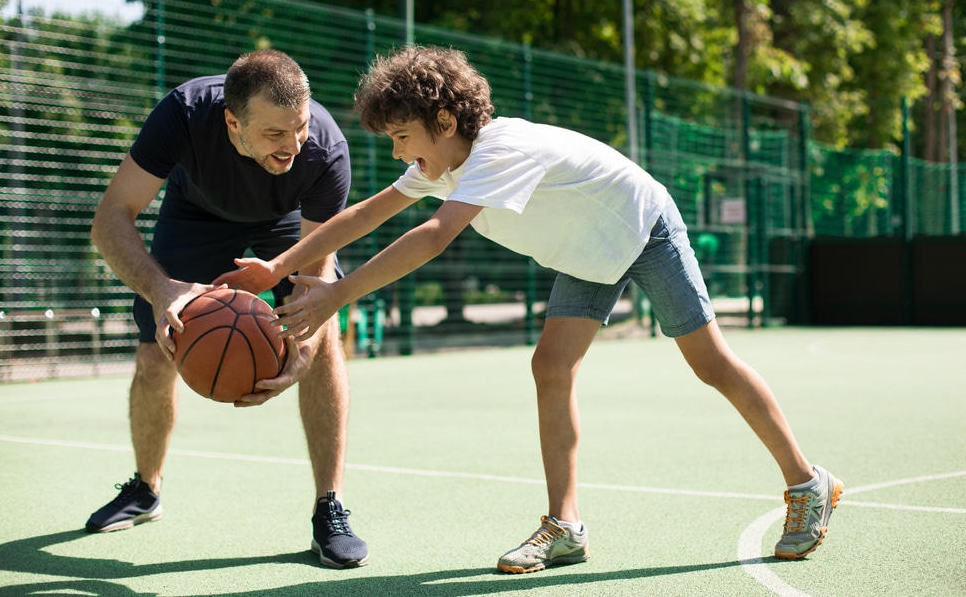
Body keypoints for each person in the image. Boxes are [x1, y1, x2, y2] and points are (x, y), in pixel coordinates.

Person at [217, 45, 842, 573]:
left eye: (404, 138)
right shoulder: (440, 161)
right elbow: (367, 214)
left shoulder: (496, 150)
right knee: (551, 367)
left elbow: (433, 236)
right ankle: (565, 526)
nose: (400, 154)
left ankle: (806, 480)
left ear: (443, 118)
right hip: (589, 251)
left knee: (711, 363)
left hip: (642, 225)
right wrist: (277, 267)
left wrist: (335, 295)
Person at [87, 49, 369, 569]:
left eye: (299, 127)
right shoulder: (183, 114)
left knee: (322, 340)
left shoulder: (324, 150)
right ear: (232, 121)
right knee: (154, 357)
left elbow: (318, 275)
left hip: (285, 225)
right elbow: (110, 219)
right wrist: (159, 288)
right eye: (274, 135)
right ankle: (146, 489)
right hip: (195, 216)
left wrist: (302, 347)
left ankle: (330, 506)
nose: (292, 145)